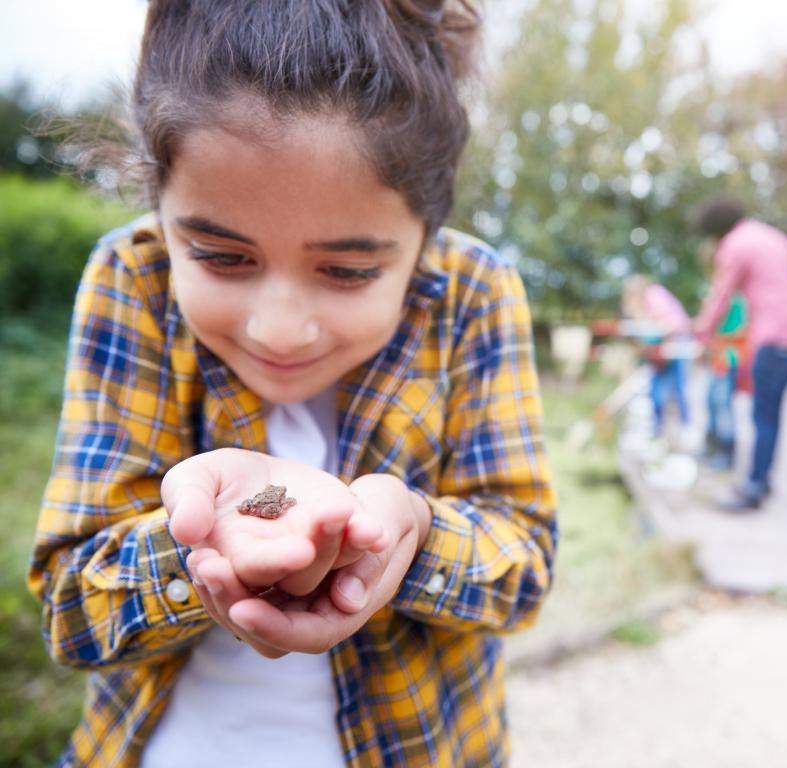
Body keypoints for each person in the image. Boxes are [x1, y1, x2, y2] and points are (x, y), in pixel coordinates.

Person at [27, 2, 556, 767]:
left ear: (424, 239)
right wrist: (198, 545)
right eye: (219, 256)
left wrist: (413, 533)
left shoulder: (475, 293)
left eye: (347, 271)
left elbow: (526, 566)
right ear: (162, 207)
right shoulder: (131, 280)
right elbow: (73, 610)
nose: (279, 329)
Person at [692, 196, 787, 510]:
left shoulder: (735, 246)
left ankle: (753, 488)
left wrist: (701, 334)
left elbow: (722, 295)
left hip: (774, 337)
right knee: (771, 414)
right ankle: (761, 480)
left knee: (763, 415)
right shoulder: (773, 237)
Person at [621, 274, 692, 439]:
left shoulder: (654, 295)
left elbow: (670, 325)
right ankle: (658, 431)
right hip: (658, 349)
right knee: (656, 392)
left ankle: (684, 430)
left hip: (675, 343)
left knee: (677, 390)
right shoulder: (639, 304)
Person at [701, 294, 747, 471]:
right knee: (711, 403)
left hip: (728, 360)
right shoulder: (723, 296)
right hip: (718, 360)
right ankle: (711, 448)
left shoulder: (734, 301)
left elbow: (736, 331)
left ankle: (726, 455)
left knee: (722, 406)